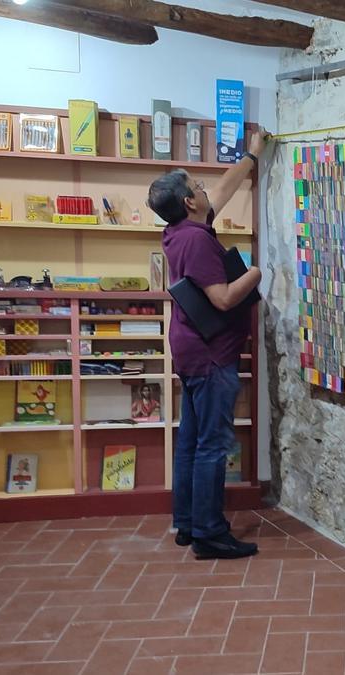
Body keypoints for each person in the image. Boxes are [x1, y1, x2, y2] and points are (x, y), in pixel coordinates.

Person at [147, 132, 267, 560]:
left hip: (192, 349)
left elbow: (223, 188)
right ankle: (210, 533)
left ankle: (187, 522)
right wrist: (254, 274)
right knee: (213, 444)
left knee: (193, 439)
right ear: (188, 203)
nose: (203, 189)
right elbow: (222, 299)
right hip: (211, 353)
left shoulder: (180, 230)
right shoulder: (197, 241)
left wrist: (252, 155)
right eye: (196, 188)